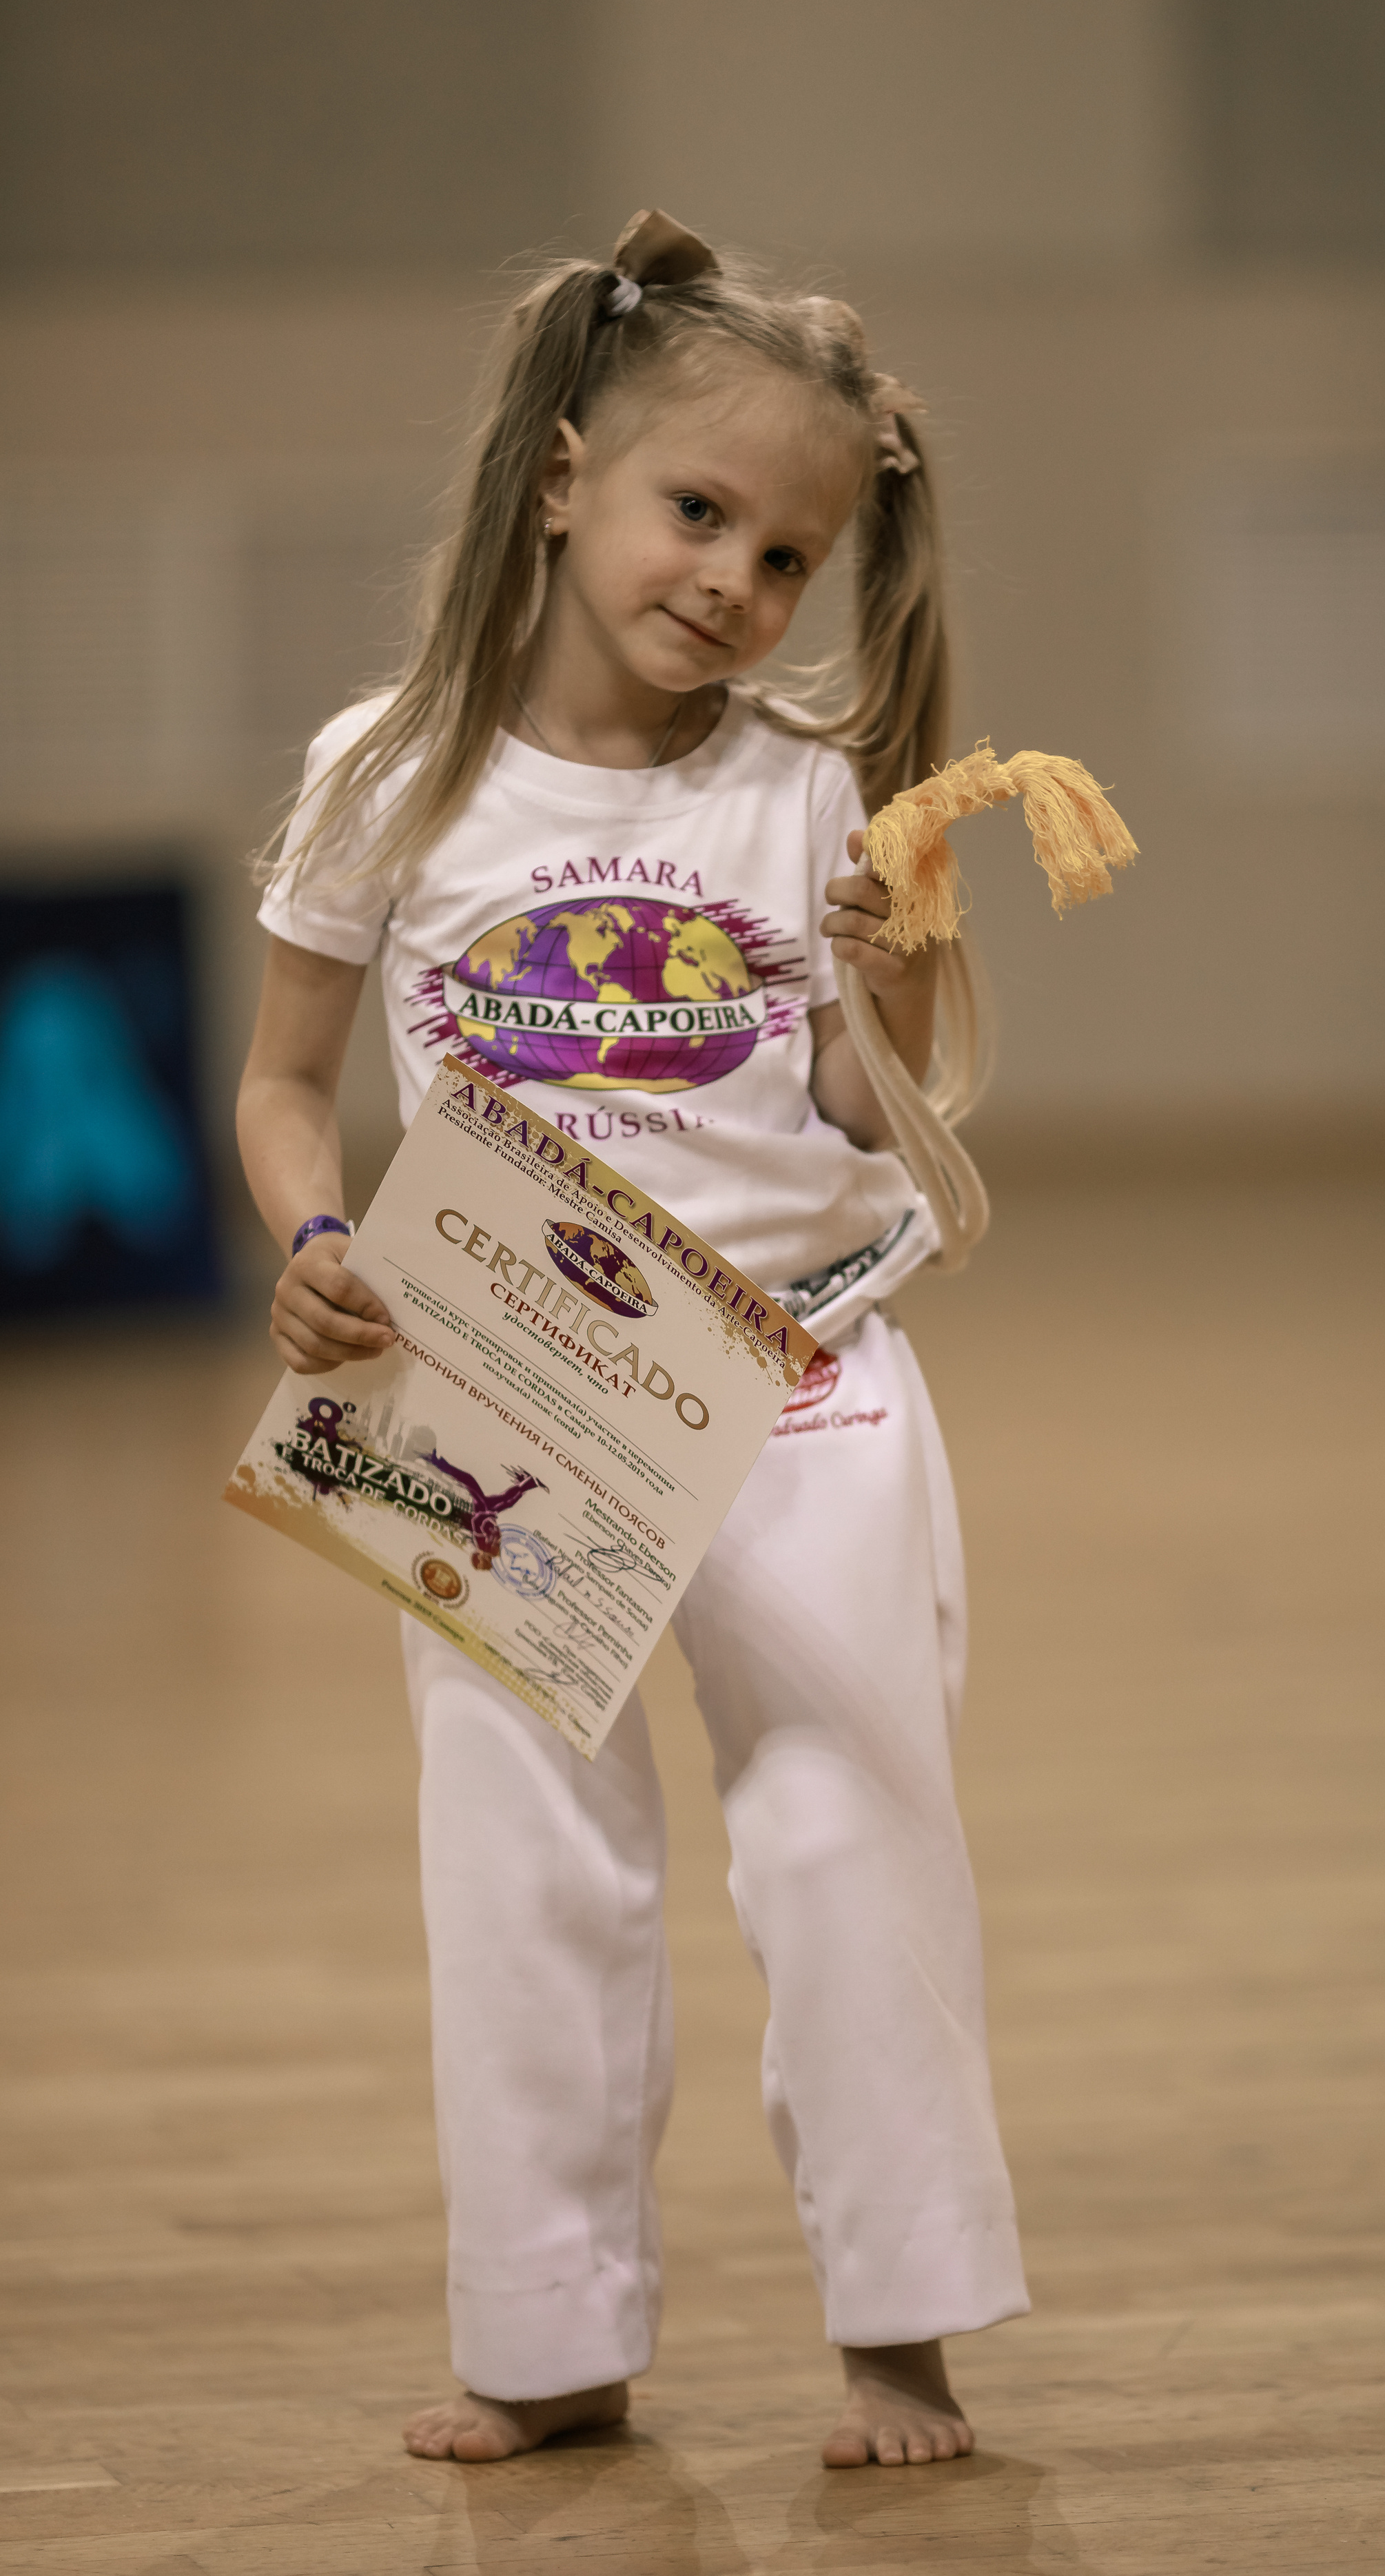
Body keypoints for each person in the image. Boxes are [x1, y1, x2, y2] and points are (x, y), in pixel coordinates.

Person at [236, 209, 1026, 2471]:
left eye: (791, 556)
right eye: (701, 512)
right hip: (498, 1386)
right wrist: (313, 1237)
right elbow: (288, 1083)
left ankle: (903, 2325)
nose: (737, 584)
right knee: (514, 1851)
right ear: (565, 472)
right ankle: (547, 2333)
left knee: (853, 1831)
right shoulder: (391, 769)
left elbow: (879, 1115)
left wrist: (895, 960)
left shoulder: (804, 789)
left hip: (799, 1382)